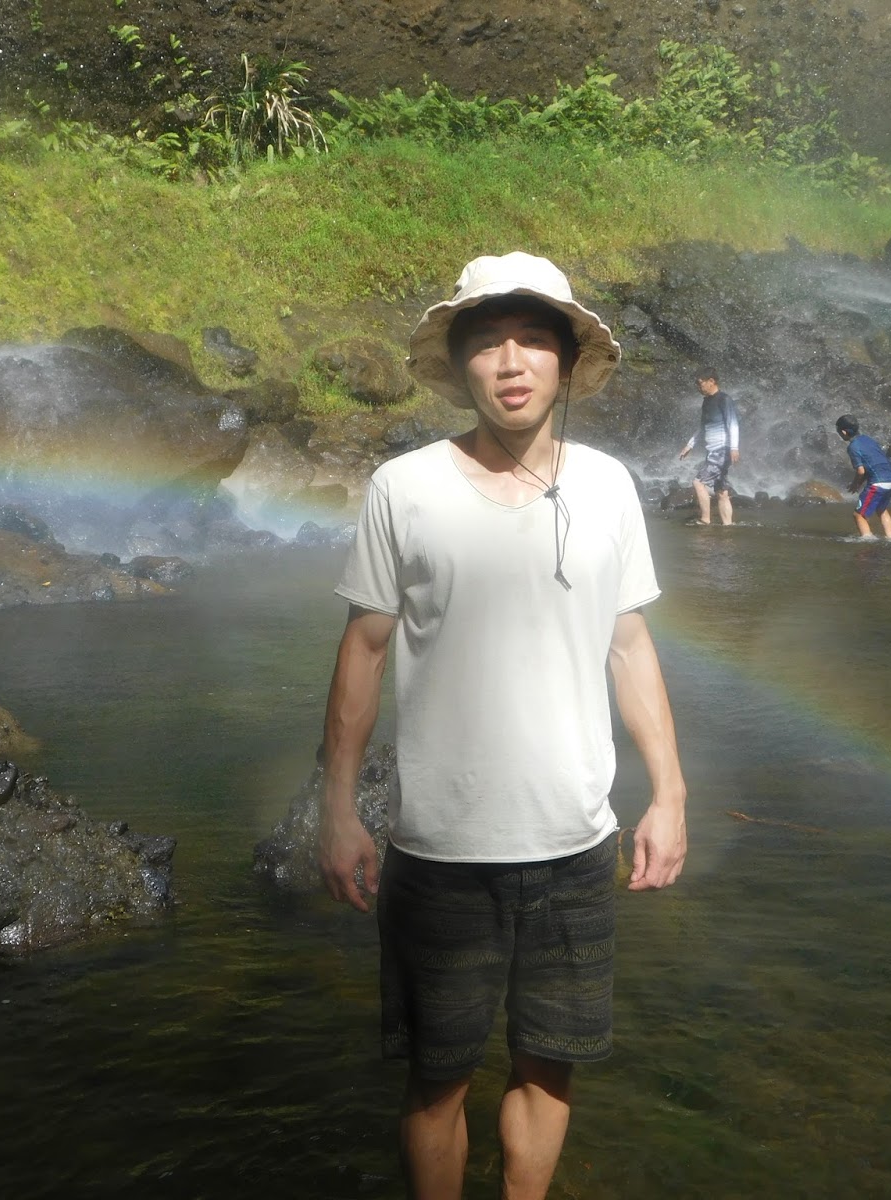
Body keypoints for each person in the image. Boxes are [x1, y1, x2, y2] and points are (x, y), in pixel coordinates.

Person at [318, 251, 688, 1200]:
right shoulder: (404, 487)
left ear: (566, 362)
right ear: (460, 364)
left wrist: (670, 793)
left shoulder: (608, 487)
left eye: (532, 341)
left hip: (576, 841)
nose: (510, 361)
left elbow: (628, 642)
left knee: (549, 1063)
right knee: (436, 1077)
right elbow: (362, 649)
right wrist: (337, 808)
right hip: (438, 848)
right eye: (486, 343)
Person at [676, 367, 741, 525]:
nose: (699, 387)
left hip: (721, 450)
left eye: (700, 383)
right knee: (721, 492)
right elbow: (703, 426)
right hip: (713, 451)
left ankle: (705, 520)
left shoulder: (724, 400)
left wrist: (734, 448)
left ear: (711, 381)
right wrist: (689, 445)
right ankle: (728, 526)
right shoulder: (706, 402)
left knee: (698, 482)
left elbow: (733, 425)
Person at [835, 414, 891, 539]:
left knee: (859, 515)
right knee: (881, 509)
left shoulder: (853, 447)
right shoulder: (868, 439)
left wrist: (855, 485)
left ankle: (868, 541)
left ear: (843, 432)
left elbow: (861, 471)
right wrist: (858, 484)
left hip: (878, 483)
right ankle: (890, 539)